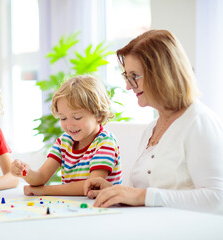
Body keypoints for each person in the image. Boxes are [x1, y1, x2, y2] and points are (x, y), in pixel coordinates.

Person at [84, 29, 223, 214]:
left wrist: (142, 196)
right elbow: (144, 194)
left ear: (162, 73)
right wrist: (114, 191)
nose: (127, 86)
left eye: (134, 76)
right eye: (127, 77)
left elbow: (216, 198)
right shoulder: (151, 129)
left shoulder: (200, 122)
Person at [11, 75, 121, 196]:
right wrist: (26, 171)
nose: (69, 125)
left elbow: (92, 185)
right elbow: (41, 176)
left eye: (77, 117)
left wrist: (42, 191)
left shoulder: (105, 142)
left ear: (98, 115)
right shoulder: (64, 141)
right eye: (63, 118)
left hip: (103, 210)